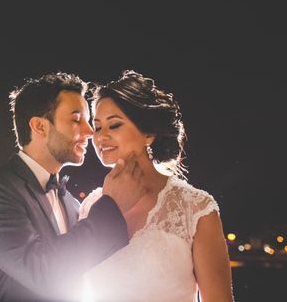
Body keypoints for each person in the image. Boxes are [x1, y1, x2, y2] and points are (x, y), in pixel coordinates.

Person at [0, 72, 147, 301]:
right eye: (76, 119)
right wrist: (111, 206)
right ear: (40, 126)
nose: (90, 132)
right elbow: (43, 272)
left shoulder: (70, 202)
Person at [78, 70, 234, 302]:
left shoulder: (197, 208)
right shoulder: (90, 205)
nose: (100, 137)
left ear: (148, 133)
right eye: (98, 127)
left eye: (115, 125)